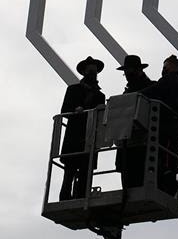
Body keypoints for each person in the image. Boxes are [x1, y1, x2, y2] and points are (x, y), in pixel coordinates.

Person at [141, 55, 178, 194]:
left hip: (165, 127)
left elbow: (153, 91)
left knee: (163, 159)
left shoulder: (169, 80)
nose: (163, 70)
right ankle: (169, 187)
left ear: (172, 67)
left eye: (165, 67)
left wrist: (136, 95)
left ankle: (163, 184)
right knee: (173, 160)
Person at [59, 56, 106, 200]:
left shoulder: (100, 95)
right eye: (90, 70)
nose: (93, 73)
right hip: (75, 136)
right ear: (84, 72)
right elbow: (64, 110)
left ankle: (81, 197)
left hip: (90, 137)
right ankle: (65, 198)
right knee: (70, 171)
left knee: (86, 171)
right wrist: (76, 110)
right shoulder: (73, 90)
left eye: (95, 71)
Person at [115, 55, 153, 188]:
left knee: (137, 182)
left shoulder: (151, 88)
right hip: (127, 146)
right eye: (126, 72)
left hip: (142, 146)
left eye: (129, 71)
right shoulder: (128, 92)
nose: (127, 75)